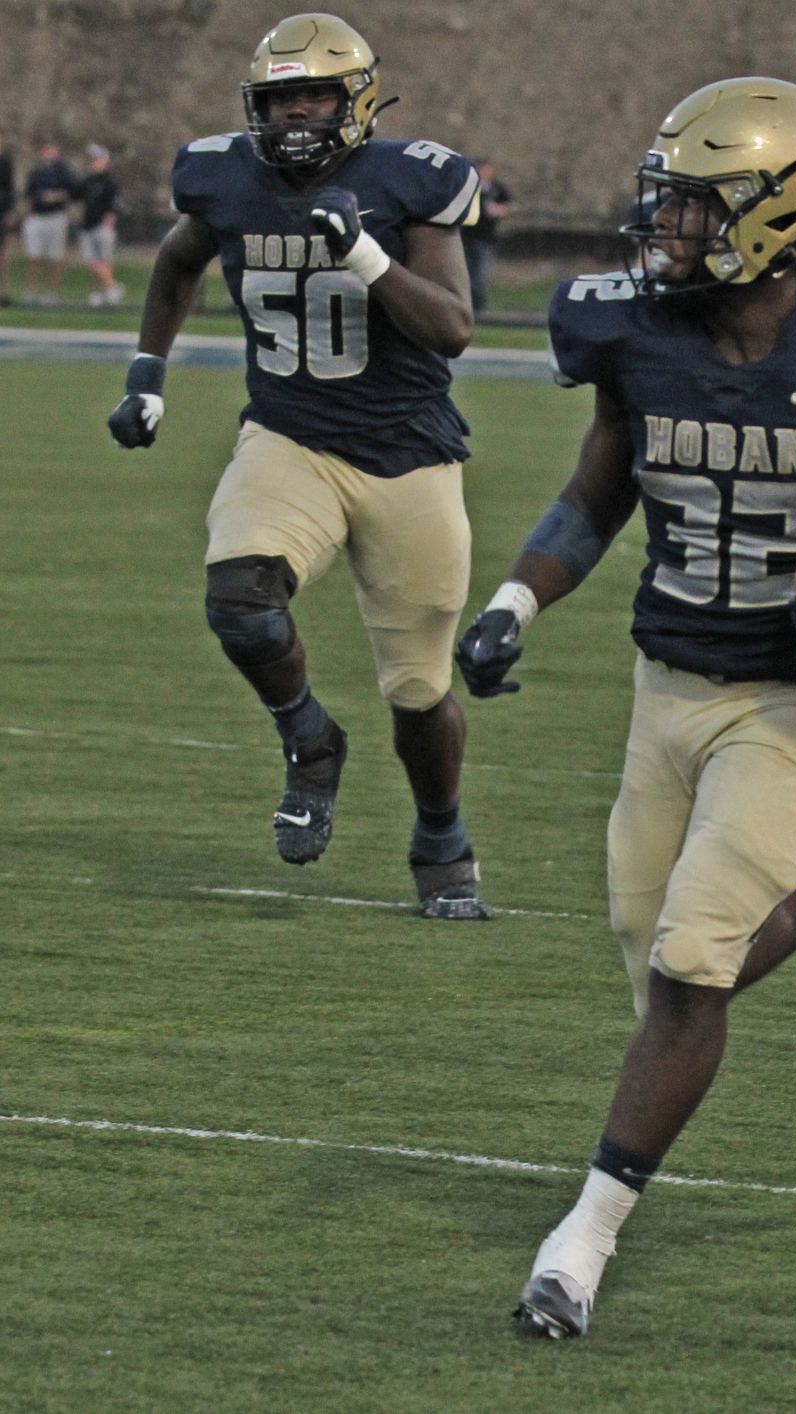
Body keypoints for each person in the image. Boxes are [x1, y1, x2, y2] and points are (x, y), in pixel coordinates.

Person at [461, 77, 796, 1339]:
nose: (668, 227)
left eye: (695, 205)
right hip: (666, 685)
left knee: (694, 964)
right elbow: (596, 495)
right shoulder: (632, 333)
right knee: (671, 981)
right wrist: (513, 605)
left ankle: (578, 1242)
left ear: (778, 213)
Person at [104, 12, 494, 919]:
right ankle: (308, 738)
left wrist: (363, 253)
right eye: (279, 98)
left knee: (419, 691)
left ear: (355, 98)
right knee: (238, 599)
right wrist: (147, 373)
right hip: (288, 437)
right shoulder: (225, 178)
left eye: (314, 94)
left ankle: (443, 838)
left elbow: (453, 328)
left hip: (407, 456)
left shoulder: (409, 182)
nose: (295, 115)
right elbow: (176, 265)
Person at [21, 142, 79, 305]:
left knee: (55, 257)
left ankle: (51, 294)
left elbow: (73, 191)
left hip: (56, 216)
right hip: (38, 216)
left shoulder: (64, 172)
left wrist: (59, 196)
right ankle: (30, 292)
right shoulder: (36, 172)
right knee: (33, 256)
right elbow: (28, 194)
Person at [76, 144, 122, 307]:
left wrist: (108, 222)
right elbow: (76, 195)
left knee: (105, 260)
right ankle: (112, 287)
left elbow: (114, 205)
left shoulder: (110, 181)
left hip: (103, 225)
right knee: (91, 260)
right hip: (88, 225)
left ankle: (107, 293)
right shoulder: (87, 181)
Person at [461, 159, 510, 314]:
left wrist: (497, 210)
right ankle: (466, 307)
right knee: (466, 274)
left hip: (486, 239)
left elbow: (506, 205)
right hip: (467, 237)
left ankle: (479, 310)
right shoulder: (469, 188)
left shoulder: (496, 189)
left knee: (480, 276)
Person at [0, 130, 17, 305]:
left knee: (3, 254)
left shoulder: (6, 163)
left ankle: (3, 291)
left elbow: (10, 189)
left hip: (1, 212)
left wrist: (11, 211)